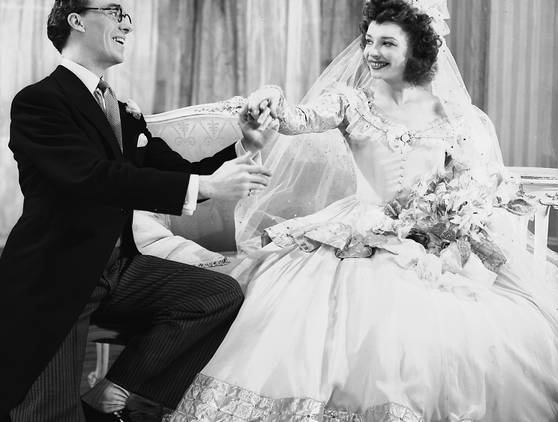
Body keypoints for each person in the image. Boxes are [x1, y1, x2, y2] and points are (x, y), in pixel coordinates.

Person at [168, 0, 558, 421]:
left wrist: (449, 221)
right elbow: (298, 118)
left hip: (429, 240)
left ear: (419, 49)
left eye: (387, 43)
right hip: (357, 232)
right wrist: (272, 99)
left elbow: (474, 182)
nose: (372, 51)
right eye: (369, 41)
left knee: (476, 331)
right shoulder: (352, 101)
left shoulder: (456, 117)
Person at [0, 1, 279, 421]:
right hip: (58, 275)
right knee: (38, 412)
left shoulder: (120, 112)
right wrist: (206, 186)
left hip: (119, 269)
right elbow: (93, 177)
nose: (127, 24)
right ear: (77, 19)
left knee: (220, 295)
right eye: (116, 11)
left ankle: (112, 392)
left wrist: (242, 145)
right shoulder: (38, 102)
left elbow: (177, 172)